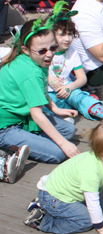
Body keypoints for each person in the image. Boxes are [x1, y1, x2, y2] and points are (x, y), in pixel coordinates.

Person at [0, 19, 80, 164]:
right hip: (5, 127)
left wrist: (55, 109)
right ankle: (7, 149)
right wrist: (63, 144)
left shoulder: (38, 61)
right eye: (42, 50)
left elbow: (41, 90)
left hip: (23, 119)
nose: (49, 54)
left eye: (53, 47)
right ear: (25, 50)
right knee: (58, 153)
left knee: (69, 131)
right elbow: (37, 115)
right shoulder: (29, 73)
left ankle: (29, 141)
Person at [44, 6, 103, 122]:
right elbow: (31, 72)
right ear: (51, 34)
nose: (67, 38)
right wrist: (49, 78)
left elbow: (82, 78)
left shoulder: (72, 52)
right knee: (53, 112)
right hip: (47, 93)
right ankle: (85, 101)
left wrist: (69, 87)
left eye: (70, 34)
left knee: (79, 97)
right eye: (62, 34)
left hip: (68, 89)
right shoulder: (44, 52)